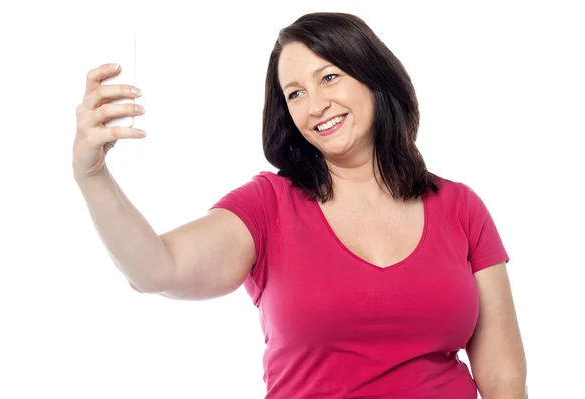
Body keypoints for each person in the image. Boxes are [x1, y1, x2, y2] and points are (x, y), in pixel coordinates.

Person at [73, 12, 528, 399]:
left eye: (329, 77)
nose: (315, 105)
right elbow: (157, 268)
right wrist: (92, 177)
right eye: (295, 93)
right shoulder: (268, 205)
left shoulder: (460, 206)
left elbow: (503, 376)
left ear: (375, 78)